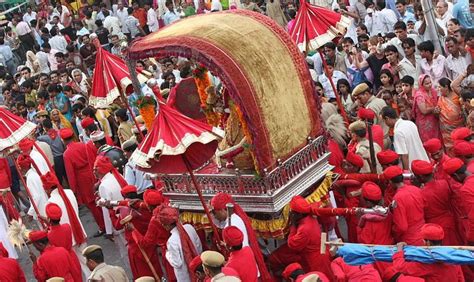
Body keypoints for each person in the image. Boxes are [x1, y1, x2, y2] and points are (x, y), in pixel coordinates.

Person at [210, 192, 272, 280]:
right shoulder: (247, 250)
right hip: (250, 266)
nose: (214, 215)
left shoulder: (231, 264)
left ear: (223, 210)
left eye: (214, 212)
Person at [60, 128, 105, 236]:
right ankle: (107, 222)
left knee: (92, 204)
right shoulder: (83, 145)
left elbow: (70, 173)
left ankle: (102, 226)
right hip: (92, 172)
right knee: (100, 198)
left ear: (63, 140)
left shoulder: (67, 154)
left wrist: (73, 189)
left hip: (82, 179)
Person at [411, 160, 462, 245]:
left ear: (420, 177)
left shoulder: (421, 193)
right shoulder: (444, 183)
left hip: (434, 226)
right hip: (450, 221)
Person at [392, 224, 465, 280]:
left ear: (428, 243)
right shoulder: (452, 256)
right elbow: (460, 278)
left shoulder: (428, 261)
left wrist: (399, 250)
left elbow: (400, 267)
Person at [384, 165, 425, 245]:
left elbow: (402, 227)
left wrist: (392, 231)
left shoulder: (398, 198)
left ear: (390, 182)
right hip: (423, 235)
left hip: (410, 240)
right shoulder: (416, 189)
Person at [160, 206, 202, 282]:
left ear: (165, 225)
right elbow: (199, 248)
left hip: (184, 277)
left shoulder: (172, 241)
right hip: (198, 270)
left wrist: (167, 254)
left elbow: (177, 263)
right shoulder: (189, 227)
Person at [45, 203, 82, 281]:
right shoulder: (67, 226)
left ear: (48, 218)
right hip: (72, 257)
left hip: (62, 262)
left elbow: (53, 232)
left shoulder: (49, 235)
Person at [94, 155, 126, 240]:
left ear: (101, 169)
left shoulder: (103, 186)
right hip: (127, 216)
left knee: (124, 252)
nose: (94, 172)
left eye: (95, 169)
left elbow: (106, 210)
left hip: (117, 221)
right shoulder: (118, 176)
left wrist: (109, 231)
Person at [437, 78, 465, 154]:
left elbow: (463, 110)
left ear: (446, 87)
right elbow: (438, 112)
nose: (438, 89)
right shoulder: (440, 98)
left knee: (460, 147)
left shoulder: (457, 97)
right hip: (446, 132)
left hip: (458, 127)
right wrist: (436, 111)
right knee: (450, 149)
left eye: (440, 87)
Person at [17, 154, 49, 220]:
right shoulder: (33, 174)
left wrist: (30, 213)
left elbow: (36, 197)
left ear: (24, 167)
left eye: (19, 167)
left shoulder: (30, 178)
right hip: (43, 205)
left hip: (41, 209)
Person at [413, 74, 441, 143]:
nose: (429, 85)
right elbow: (424, 111)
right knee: (428, 142)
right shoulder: (419, 95)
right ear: (421, 84)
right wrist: (434, 108)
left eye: (430, 82)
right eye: (426, 84)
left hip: (434, 120)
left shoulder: (433, 91)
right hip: (424, 123)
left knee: (436, 141)